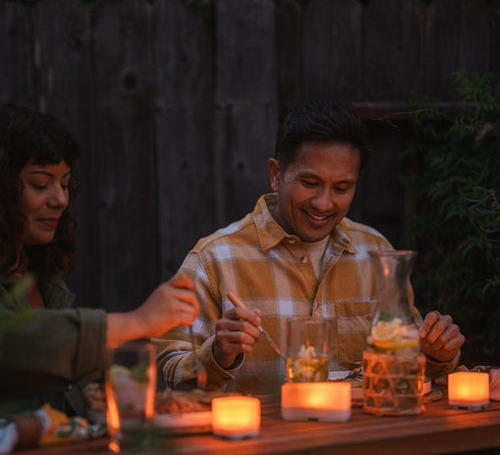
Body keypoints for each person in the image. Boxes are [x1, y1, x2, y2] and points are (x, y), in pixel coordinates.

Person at [156, 99, 465, 394]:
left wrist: (437, 354)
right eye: (310, 183)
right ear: (277, 175)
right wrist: (218, 354)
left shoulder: (377, 253)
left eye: (341, 188)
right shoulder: (213, 261)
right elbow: (165, 377)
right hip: (260, 446)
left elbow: (409, 368)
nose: (323, 203)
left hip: (365, 444)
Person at [0, 103, 199, 417]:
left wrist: (85, 396)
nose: (60, 199)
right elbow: (21, 344)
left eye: (65, 184)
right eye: (41, 184)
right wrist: (140, 321)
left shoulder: (42, 279)